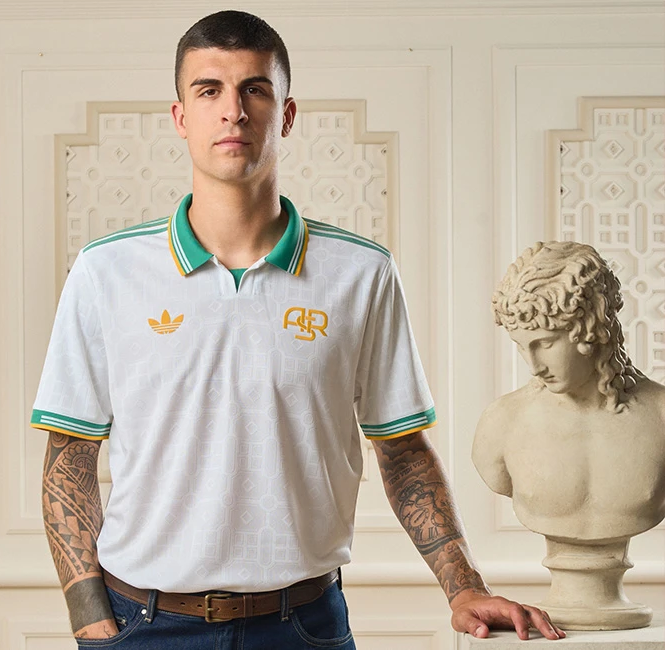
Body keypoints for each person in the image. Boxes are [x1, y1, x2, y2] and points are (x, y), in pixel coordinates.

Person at [32, 10, 565, 648]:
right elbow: (69, 454)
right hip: (141, 625)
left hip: (304, 626)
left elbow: (403, 451)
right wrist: (90, 623)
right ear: (181, 117)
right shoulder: (105, 272)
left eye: (254, 89)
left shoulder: (361, 273)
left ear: (285, 115)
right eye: (209, 91)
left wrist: (464, 587)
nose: (233, 111)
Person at [473, 241, 665, 630]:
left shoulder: (660, 416)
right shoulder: (502, 423)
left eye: (545, 343)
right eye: (521, 347)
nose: (533, 366)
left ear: (591, 328)